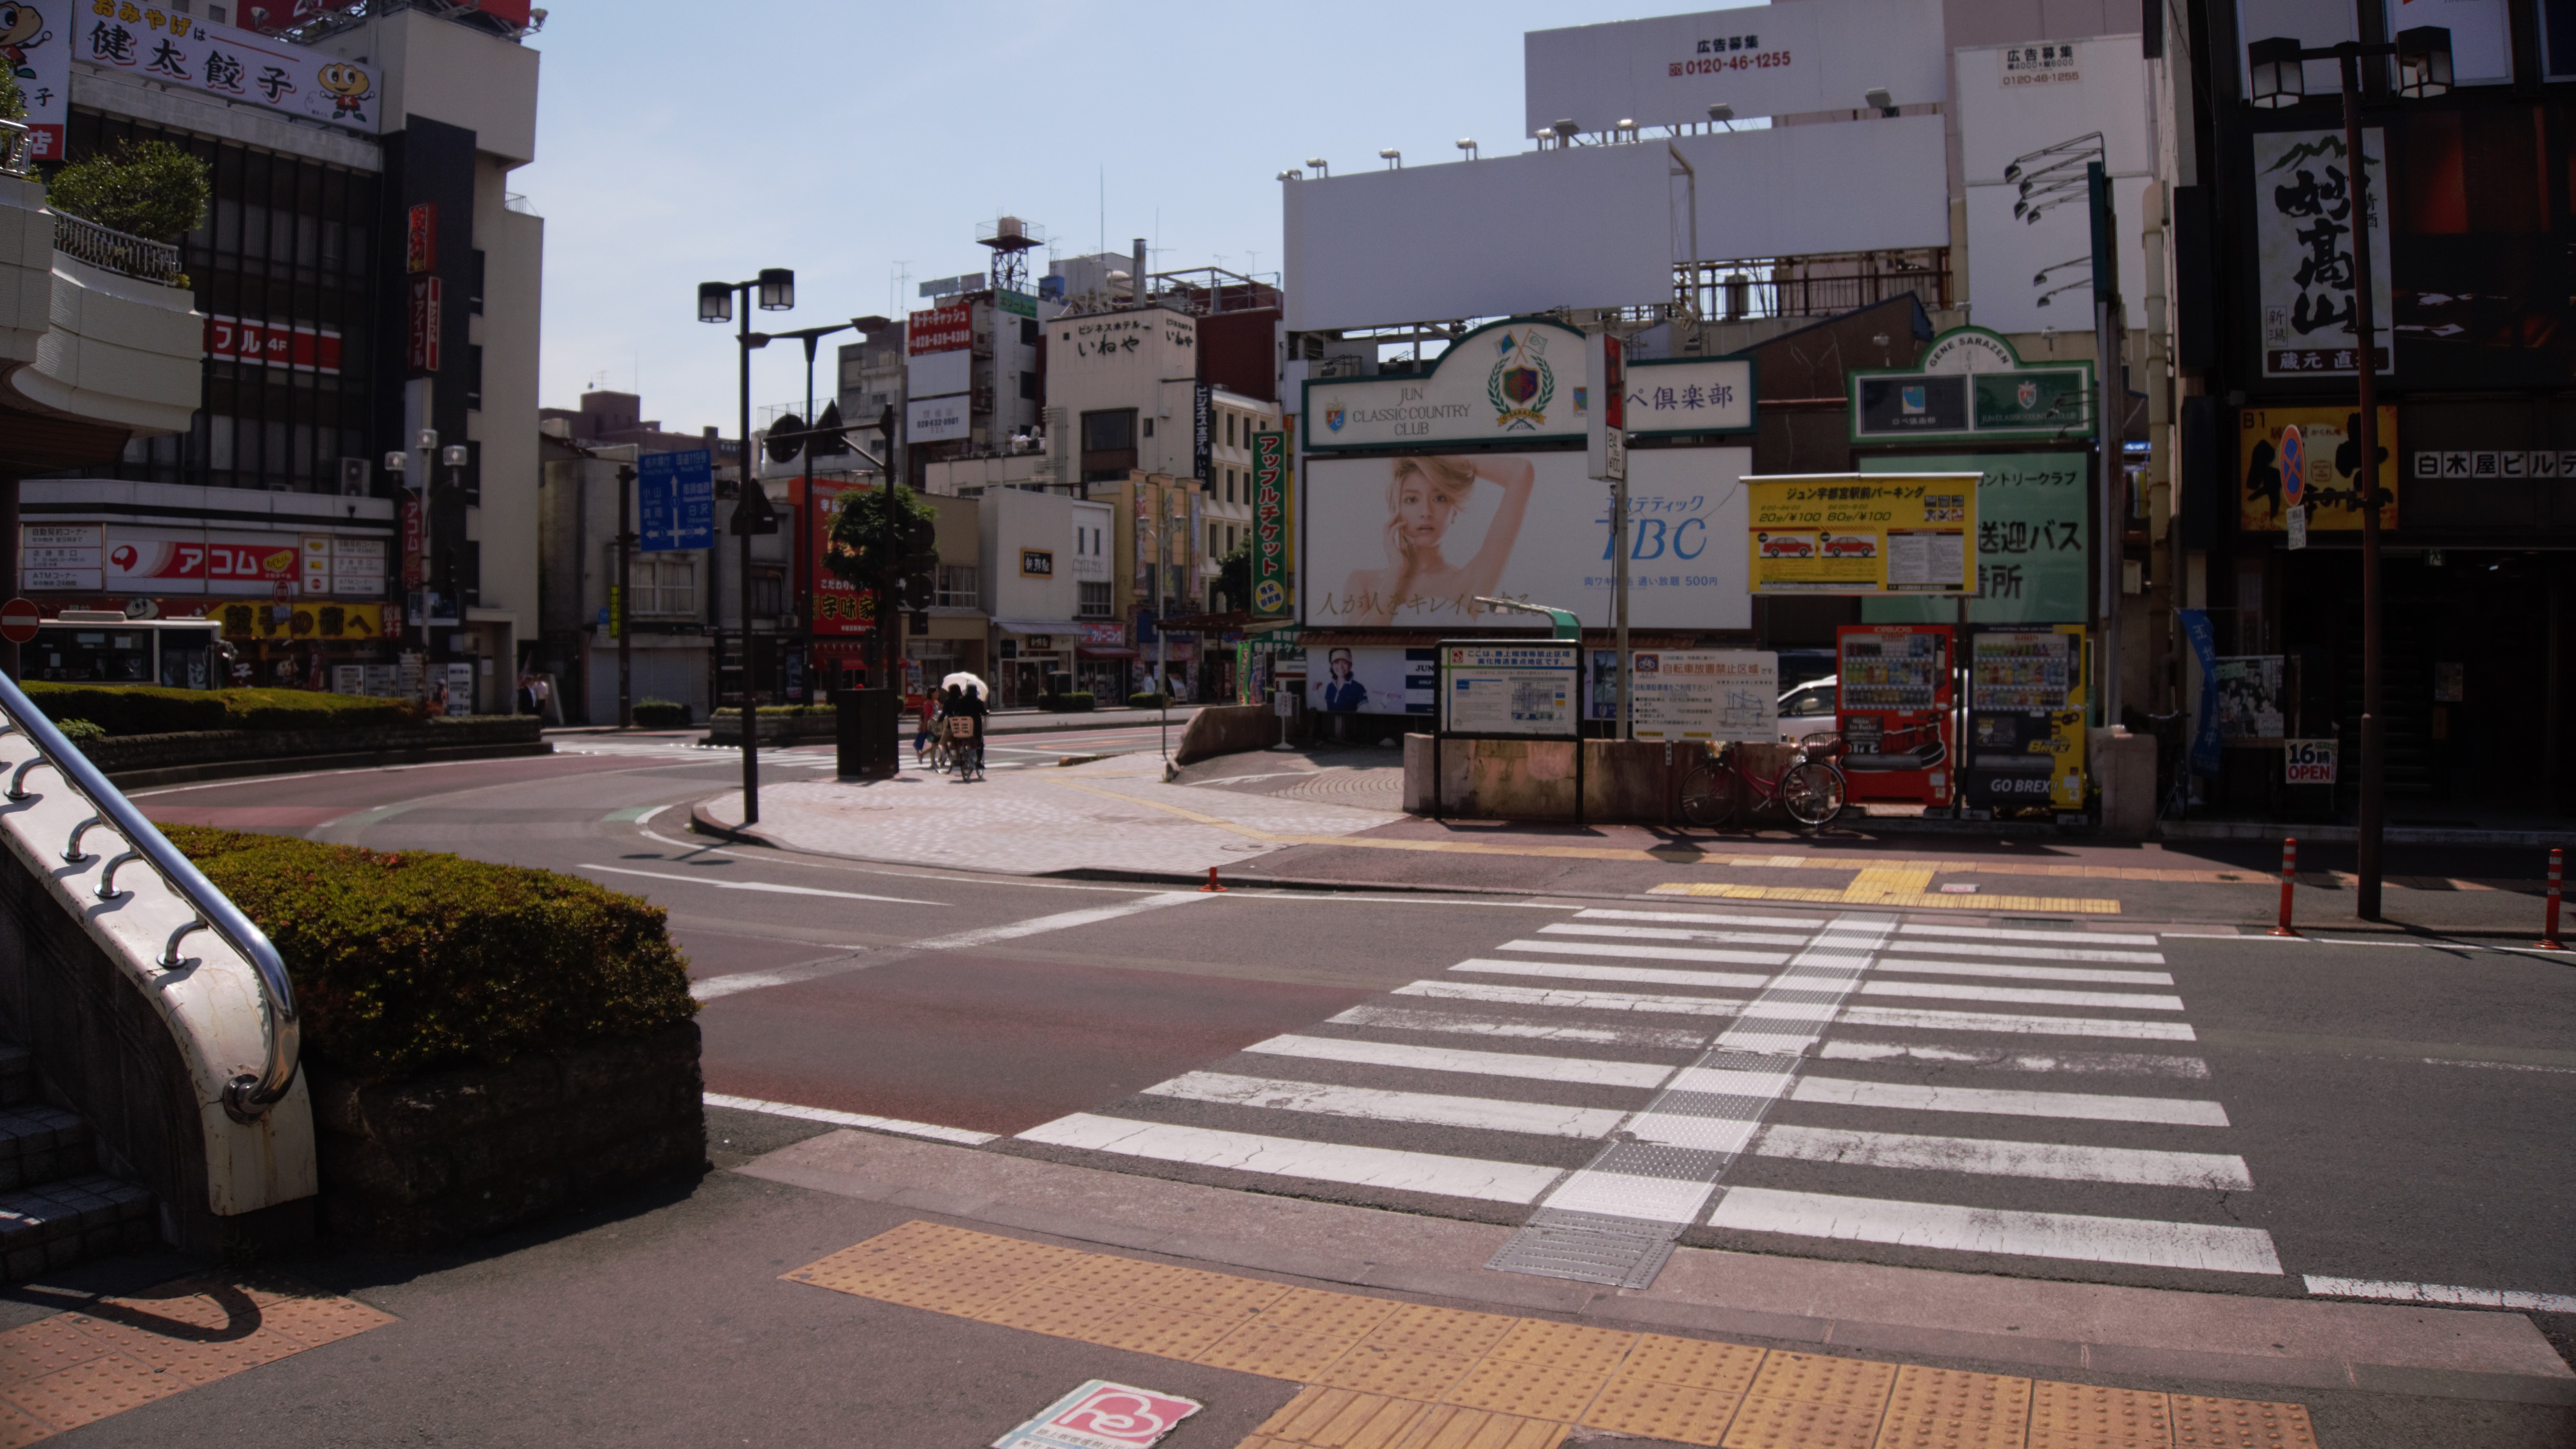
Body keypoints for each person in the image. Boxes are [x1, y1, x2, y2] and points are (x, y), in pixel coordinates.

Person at [1339, 454, 1536, 628]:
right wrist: (1396, 571)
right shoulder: (1361, 582)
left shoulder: (1470, 581)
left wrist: (1444, 462)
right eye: (1412, 500)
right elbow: (1356, 653)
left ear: (1454, 512)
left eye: (1440, 498)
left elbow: (1521, 472)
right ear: (1395, 510)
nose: (1426, 513)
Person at [1320, 648, 1367, 713]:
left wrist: (1383, 703)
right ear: (1332, 665)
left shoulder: (1358, 688)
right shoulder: (1330, 687)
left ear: (1350, 665)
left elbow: (1366, 713)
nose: (1341, 667)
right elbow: (1326, 709)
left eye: (1345, 663)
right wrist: (1315, 691)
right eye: (1336, 663)